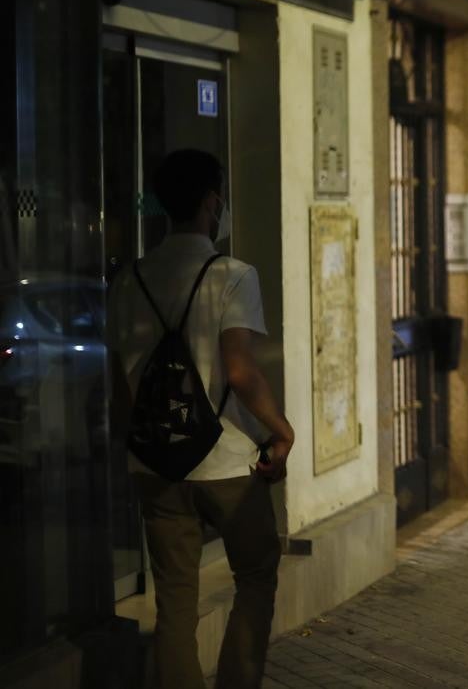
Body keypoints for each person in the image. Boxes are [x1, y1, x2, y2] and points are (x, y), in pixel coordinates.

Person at [107, 149, 293, 689]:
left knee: (174, 602)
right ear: (213, 202)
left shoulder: (128, 281)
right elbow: (240, 370)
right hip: (228, 461)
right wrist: (280, 432)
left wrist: (135, 452)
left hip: (155, 465)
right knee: (256, 575)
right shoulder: (231, 276)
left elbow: (118, 385)